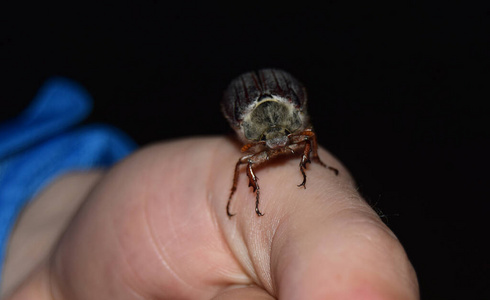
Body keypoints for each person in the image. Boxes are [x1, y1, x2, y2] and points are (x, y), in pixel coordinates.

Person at [1, 80, 419, 299]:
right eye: (266, 141)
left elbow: (305, 136)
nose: (275, 145)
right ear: (245, 131)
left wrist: (47, 218)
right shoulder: (248, 145)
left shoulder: (298, 132)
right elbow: (243, 161)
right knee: (244, 167)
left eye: (282, 139)